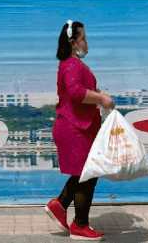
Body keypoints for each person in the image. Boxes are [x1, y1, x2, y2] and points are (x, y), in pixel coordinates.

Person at [45, 20, 115, 240]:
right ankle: (79, 225)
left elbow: (81, 90)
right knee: (88, 174)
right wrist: (101, 98)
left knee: (84, 173)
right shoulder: (73, 65)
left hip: (77, 127)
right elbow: (76, 92)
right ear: (74, 43)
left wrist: (99, 94)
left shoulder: (71, 64)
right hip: (75, 128)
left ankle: (60, 205)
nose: (86, 41)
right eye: (83, 38)